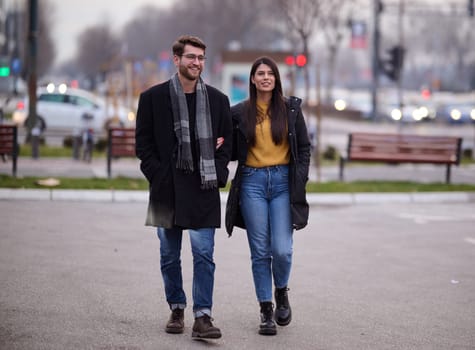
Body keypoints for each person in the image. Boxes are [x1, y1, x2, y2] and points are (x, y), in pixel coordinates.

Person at [135, 35, 232, 339]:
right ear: (176, 60)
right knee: (168, 254)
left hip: (203, 188)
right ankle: (177, 308)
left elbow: (225, 146)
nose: (197, 63)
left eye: (201, 58)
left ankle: (202, 316)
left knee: (204, 254)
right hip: (167, 188)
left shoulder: (218, 100)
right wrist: (157, 173)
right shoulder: (152, 98)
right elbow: (143, 144)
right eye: (191, 57)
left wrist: (216, 171)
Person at [226, 56, 310, 336]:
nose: (265, 77)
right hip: (252, 183)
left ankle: (281, 291)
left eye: (270, 73)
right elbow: (226, 143)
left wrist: (300, 179)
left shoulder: (291, 109)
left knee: (282, 250)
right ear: (252, 79)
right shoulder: (240, 112)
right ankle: (265, 309)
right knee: (260, 251)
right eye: (260, 73)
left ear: (276, 79)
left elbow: (305, 148)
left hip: (283, 184)